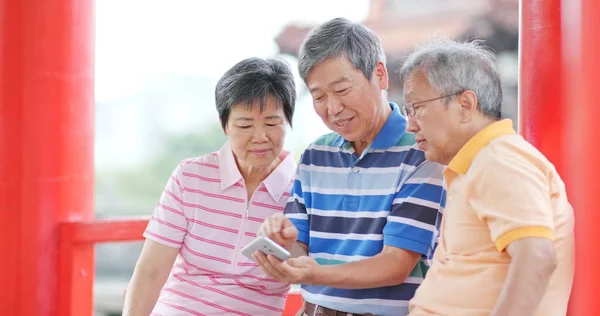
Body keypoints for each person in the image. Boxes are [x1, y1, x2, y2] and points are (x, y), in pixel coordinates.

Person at [253, 18, 445, 316]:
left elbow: (395, 264)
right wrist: (282, 242)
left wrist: (313, 273)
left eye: (342, 89)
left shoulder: (421, 152)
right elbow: (299, 250)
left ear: (380, 75)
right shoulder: (316, 154)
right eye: (319, 96)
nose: (332, 108)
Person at [400, 38, 575, 316]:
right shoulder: (479, 163)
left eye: (416, 108)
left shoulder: (499, 160)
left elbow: (536, 256)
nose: (410, 124)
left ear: (466, 104)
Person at [122, 57, 297, 315]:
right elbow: (151, 271)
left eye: (272, 123)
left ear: (288, 121)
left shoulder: (302, 189)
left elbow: (311, 268)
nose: (260, 137)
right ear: (224, 124)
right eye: (245, 125)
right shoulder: (190, 177)